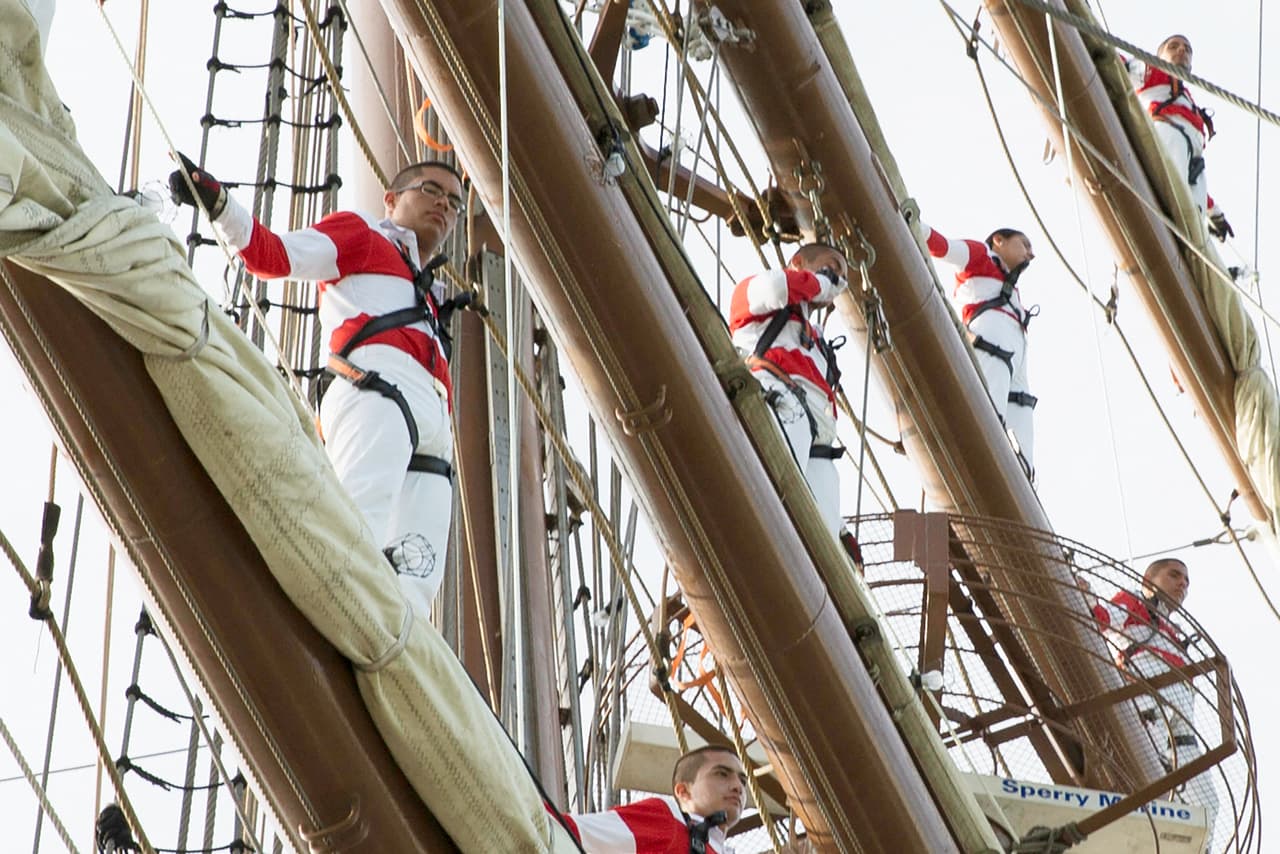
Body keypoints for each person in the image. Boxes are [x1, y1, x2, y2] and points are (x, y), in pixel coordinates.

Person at [169, 155, 465, 617]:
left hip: (433, 432)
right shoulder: (363, 237)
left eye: (454, 201)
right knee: (353, 540)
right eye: (431, 190)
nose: (444, 205)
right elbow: (274, 256)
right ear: (391, 199)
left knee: (418, 590)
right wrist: (219, 203)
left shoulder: (428, 291)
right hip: (380, 392)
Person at [1090, 558, 1219, 831]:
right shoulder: (1134, 602)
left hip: (1181, 707)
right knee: (1149, 752)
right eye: (1174, 576)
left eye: (1186, 581)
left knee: (1207, 801)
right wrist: (1085, 598)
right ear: (1149, 581)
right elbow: (1102, 617)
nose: (1182, 584)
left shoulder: (1175, 630)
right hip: (1150, 687)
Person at [729, 244, 849, 535]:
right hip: (782, 403)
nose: (837, 278)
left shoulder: (815, 339)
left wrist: (842, 532)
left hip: (818, 444)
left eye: (841, 276)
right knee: (777, 492)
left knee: (828, 540)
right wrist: (819, 282)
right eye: (832, 266)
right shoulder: (758, 298)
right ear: (797, 261)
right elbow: (775, 287)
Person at [914, 218, 1038, 479]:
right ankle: (987, 467)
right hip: (993, 349)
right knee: (989, 421)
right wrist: (915, 224)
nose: (1031, 253)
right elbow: (943, 246)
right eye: (1024, 244)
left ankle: (1022, 481)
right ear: (999, 241)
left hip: (1014, 363)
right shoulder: (981, 256)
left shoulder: (1013, 292)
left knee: (1021, 419)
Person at [1125, 34, 1233, 242]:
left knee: (1195, 231)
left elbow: (1189, 174)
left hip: (1192, 164)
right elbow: (1118, 63)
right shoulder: (1153, 73)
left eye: (1187, 49)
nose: (1182, 50)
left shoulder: (1188, 101)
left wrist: (1214, 213)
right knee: (1171, 190)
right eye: (1173, 46)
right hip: (1168, 140)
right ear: (1161, 56)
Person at [562, 745, 747, 853]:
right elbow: (568, 832)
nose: (738, 786)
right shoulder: (668, 821)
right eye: (722, 774)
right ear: (683, 791)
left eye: (743, 781)